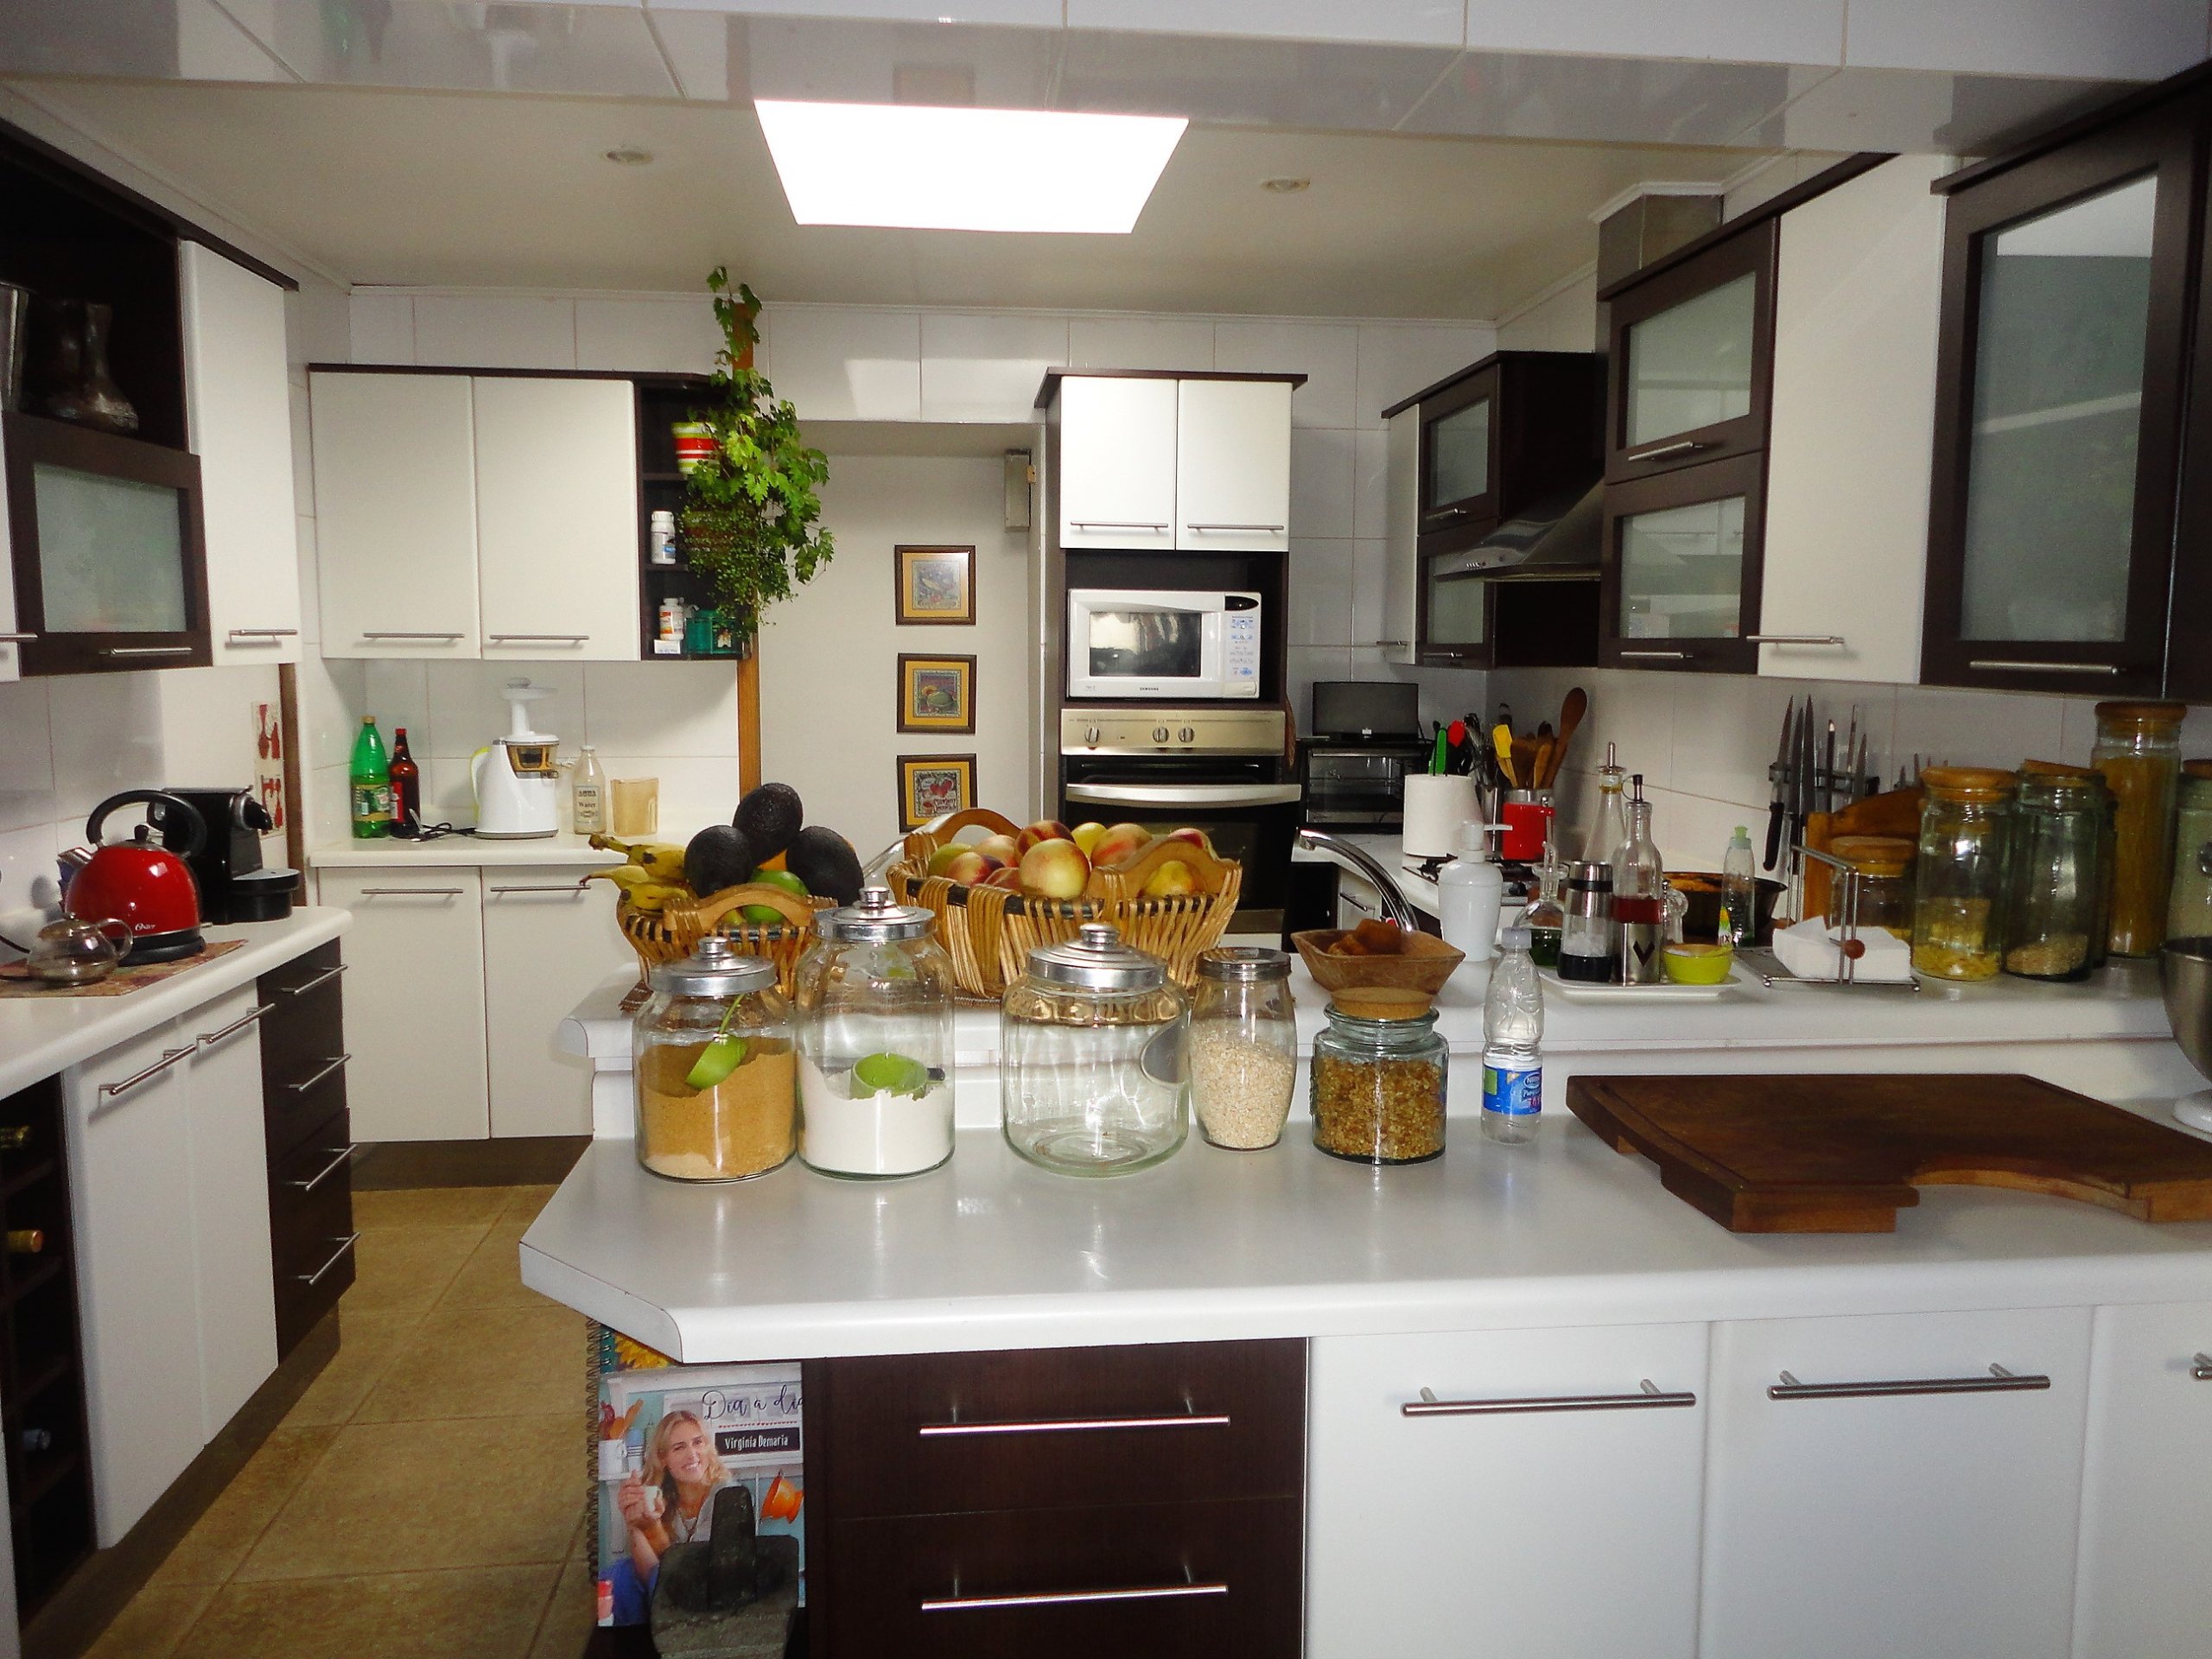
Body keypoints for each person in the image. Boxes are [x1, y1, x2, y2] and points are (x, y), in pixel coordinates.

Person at [615, 1409, 734, 1585]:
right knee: (622, 1572)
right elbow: (647, 1577)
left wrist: (653, 1529)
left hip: (714, 1589)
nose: (692, 1454)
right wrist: (634, 1523)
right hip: (665, 1592)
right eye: (679, 1447)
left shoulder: (729, 1496)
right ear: (663, 1458)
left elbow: (691, 1575)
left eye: (698, 1442)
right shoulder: (656, 1495)